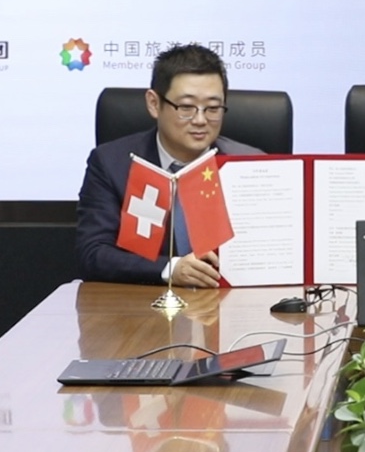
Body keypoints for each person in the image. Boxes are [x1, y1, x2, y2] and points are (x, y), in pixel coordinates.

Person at [76, 44, 263, 286]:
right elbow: (93, 254)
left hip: (231, 301)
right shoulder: (112, 163)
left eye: (213, 108)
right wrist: (170, 269)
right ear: (154, 104)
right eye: (186, 107)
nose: (200, 120)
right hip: (143, 303)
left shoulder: (249, 165)